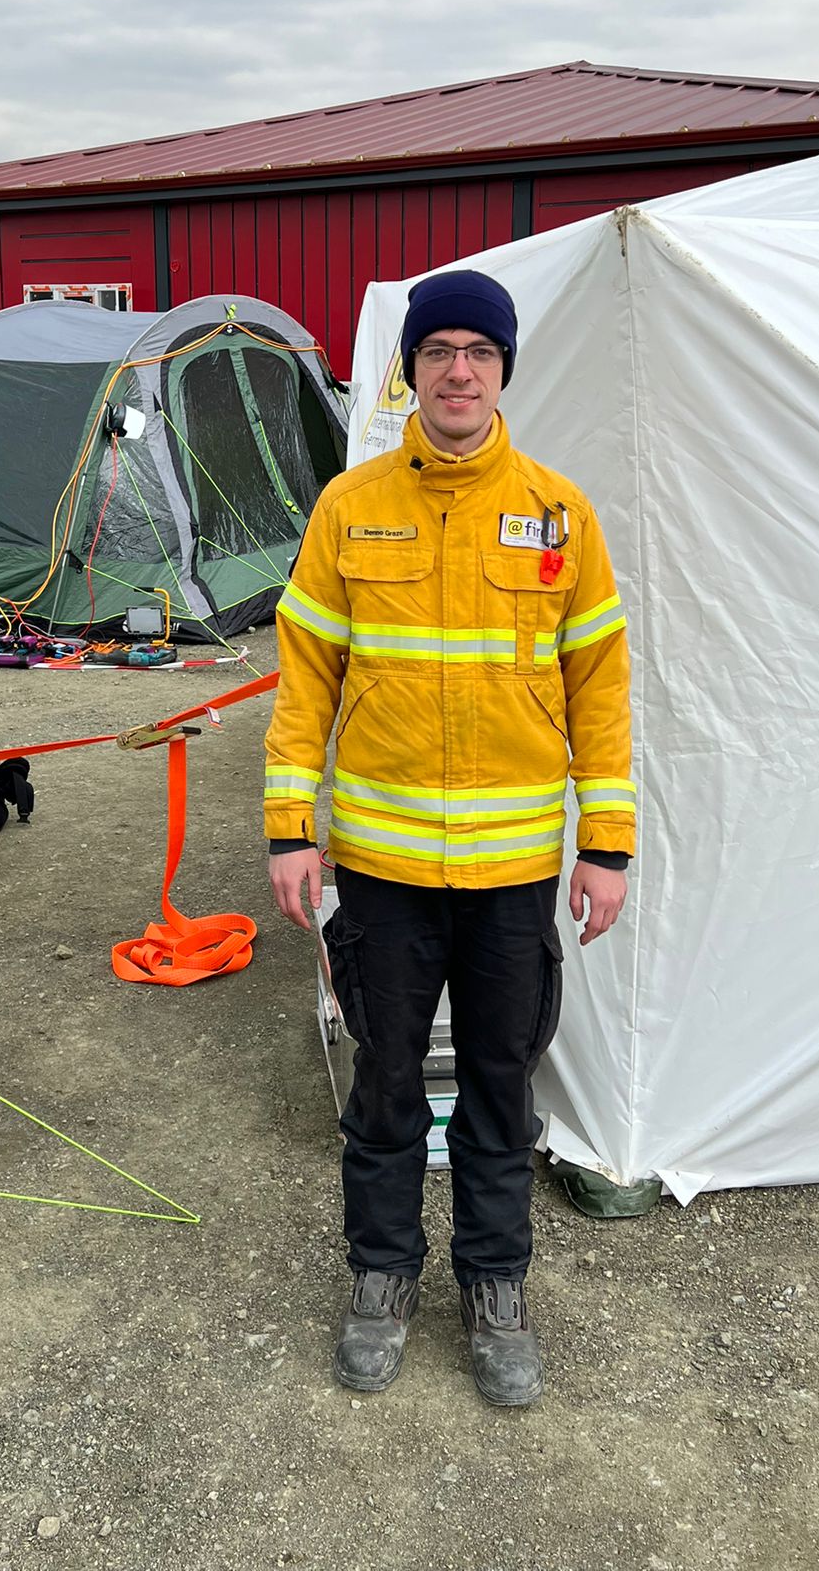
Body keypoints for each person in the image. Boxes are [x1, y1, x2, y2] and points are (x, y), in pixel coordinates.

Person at [263, 269, 634, 1407]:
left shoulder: (562, 516)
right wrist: (291, 827)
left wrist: (606, 843)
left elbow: (601, 690)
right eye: (439, 351)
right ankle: (379, 1275)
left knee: (497, 1091)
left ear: (504, 368)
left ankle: (495, 1286)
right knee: (382, 1084)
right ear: (410, 369)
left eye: (479, 349)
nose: (459, 369)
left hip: (515, 874)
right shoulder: (348, 506)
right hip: (378, 871)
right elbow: (305, 679)